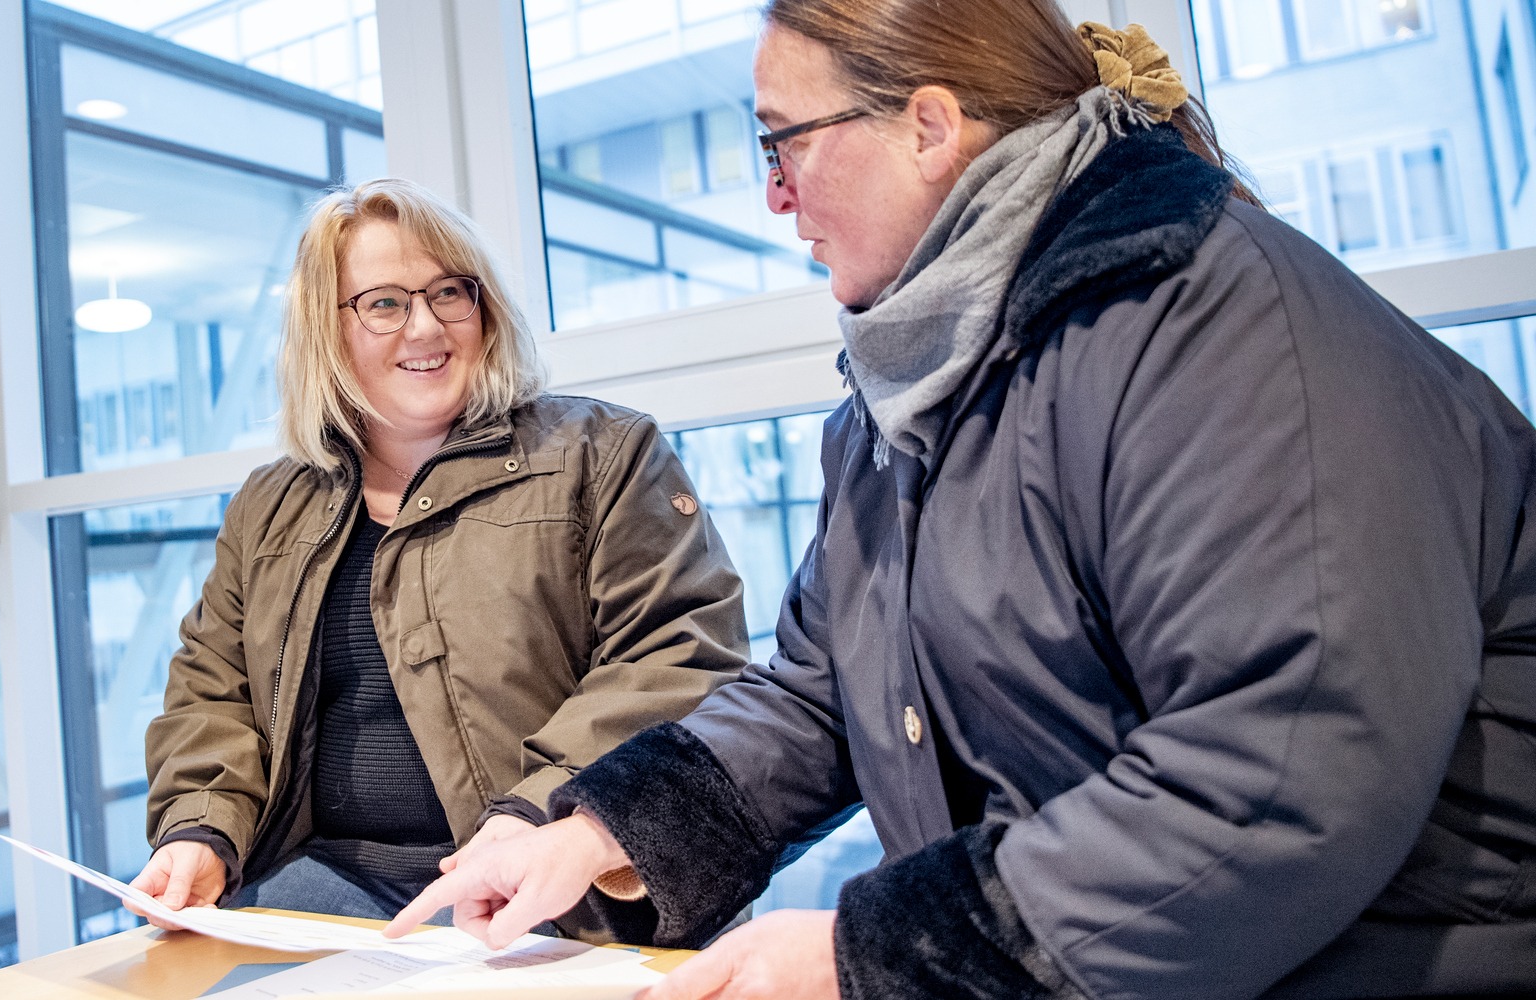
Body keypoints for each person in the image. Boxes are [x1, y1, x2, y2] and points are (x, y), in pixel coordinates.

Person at [387, 2, 1536, 997]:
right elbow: (816, 697)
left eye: (782, 143)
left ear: (927, 126)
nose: (776, 194)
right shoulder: (903, 402)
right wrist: (596, 828)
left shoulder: (1215, 325)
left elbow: (1281, 768)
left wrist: (870, 956)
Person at [125, 178, 749, 930]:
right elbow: (212, 690)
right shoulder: (268, 505)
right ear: (327, 329)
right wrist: (202, 826)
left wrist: (537, 808)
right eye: (384, 303)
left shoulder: (602, 454)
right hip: (324, 890)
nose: (426, 326)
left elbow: (676, 655)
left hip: (547, 895)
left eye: (450, 293)